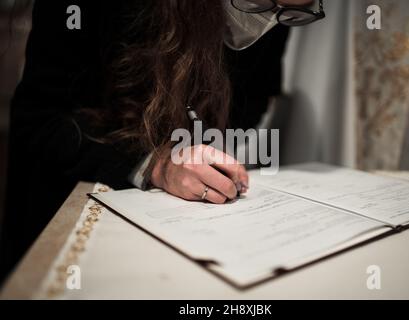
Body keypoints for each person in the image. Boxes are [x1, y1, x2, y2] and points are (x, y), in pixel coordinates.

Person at [1, 0, 324, 279]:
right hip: (73, 213)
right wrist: (155, 164)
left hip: (180, 234)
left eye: (292, 12)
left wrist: (201, 152)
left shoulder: (281, 14)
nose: (266, 20)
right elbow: (40, 121)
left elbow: (251, 103)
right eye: (255, 4)